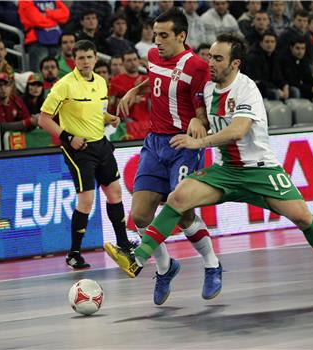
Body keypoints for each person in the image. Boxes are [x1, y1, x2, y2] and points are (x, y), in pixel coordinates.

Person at [107, 33, 313, 300]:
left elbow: (238, 131)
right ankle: (138, 258)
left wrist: (199, 142)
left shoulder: (246, 89)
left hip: (259, 170)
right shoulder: (208, 87)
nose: (210, 63)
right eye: (209, 57)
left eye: (217, 58)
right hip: (225, 171)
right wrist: (193, 117)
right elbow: (174, 88)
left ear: (235, 63)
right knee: (178, 197)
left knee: (303, 218)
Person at [106, 8, 221, 305]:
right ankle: (165, 268)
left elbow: (205, 110)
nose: (157, 41)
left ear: (181, 36)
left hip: (182, 145)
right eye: (155, 34)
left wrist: (199, 121)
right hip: (154, 143)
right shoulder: (154, 57)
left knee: (182, 212)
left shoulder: (197, 66)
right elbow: (157, 78)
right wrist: (136, 89)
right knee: (141, 215)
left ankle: (212, 263)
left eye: (164, 35)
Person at [38, 40, 134, 269]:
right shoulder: (65, 85)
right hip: (78, 149)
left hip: (101, 143)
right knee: (87, 200)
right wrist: (69, 138)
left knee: (115, 193)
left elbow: (98, 113)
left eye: (89, 57)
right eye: (80, 57)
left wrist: (109, 117)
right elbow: (43, 119)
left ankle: (123, 244)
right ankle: (74, 253)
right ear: (74, 59)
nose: (85, 61)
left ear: (95, 58)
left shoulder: (101, 82)